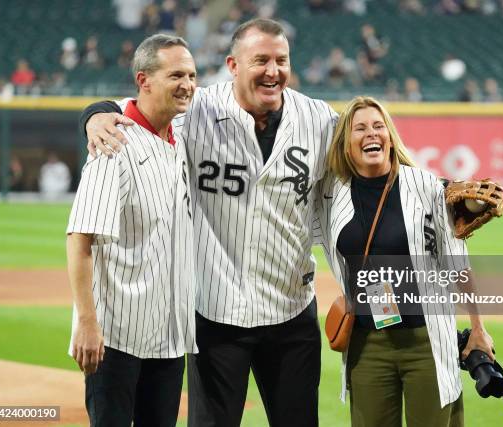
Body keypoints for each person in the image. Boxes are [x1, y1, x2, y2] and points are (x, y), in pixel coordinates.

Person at [79, 18, 337, 427]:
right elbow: (137, 105)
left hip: (292, 312)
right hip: (216, 314)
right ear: (233, 65)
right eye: (261, 61)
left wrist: (440, 192)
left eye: (281, 60)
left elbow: (371, 154)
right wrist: (96, 114)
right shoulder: (197, 107)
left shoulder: (319, 119)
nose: (273, 71)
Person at [314, 96, 495, 427]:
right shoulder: (329, 196)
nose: (371, 133)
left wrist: (479, 329)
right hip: (367, 345)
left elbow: (458, 262)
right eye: (360, 128)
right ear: (346, 142)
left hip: (425, 342)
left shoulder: (425, 186)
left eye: (379, 126)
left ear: (389, 135)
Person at [65, 34, 198, 427]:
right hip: (115, 339)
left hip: (170, 337)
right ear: (144, 80)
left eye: (191, 75)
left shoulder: (183, 136)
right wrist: (87, 324)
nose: (187, 84)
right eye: (175, 74)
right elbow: (80, 239)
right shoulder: (113, 144)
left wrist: (95, 110)